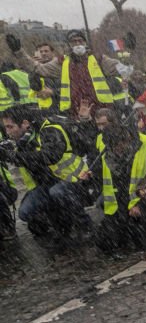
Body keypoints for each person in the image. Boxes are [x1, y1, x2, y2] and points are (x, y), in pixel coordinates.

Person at [0, 105, 92, 245]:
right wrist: (8, 153)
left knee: (57, 192)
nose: (7, 132)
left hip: (73, 178)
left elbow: (49, 156)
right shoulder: (26, 137)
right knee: (25, 212)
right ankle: (60, 228)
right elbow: (25, 159)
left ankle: (84, 225)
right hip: (47, 183)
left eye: (10, 127)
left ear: (25, 123)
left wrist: (14, 156)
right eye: (5, 128)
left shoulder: (50, 130)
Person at [92, 108, 146, 254]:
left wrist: (139, 203)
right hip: (120, 202)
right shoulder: (109, 152)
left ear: (125, 141)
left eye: (118, 148)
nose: (117, 152)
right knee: (105, 241)